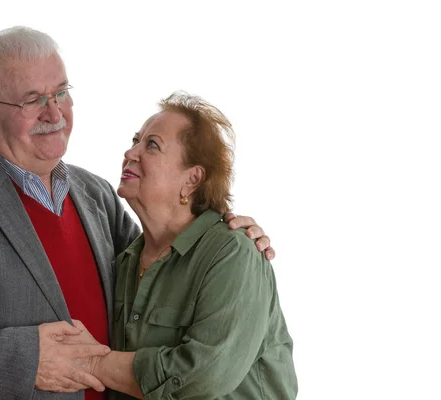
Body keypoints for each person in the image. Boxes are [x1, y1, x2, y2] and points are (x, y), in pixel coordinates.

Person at [0, 26, 275, 400]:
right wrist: (28, 359)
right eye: (33, 100)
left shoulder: (96, 193)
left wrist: (224, 231)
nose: (54, 113)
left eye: (61, 93)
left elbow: (160, 273)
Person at [71, 92, 297, 399]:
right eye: (135, 140)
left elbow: (202, 377)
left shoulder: (232, 253)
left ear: (192, 179)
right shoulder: (126, 259)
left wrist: (93, 362)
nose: (131, 152)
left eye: (152, 145)